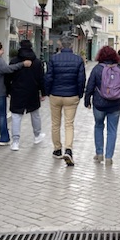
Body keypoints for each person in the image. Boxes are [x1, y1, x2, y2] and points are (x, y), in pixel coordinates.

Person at [44, 36, 86, 165]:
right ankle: (68, 150)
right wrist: (79, 94)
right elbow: (81, 79)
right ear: (72, 45)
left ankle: (57, 149)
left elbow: (48, 77)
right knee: (69, 124)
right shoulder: (78, 60)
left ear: (61, 45)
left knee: (55, 123)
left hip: (55, 95)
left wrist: (47, 92)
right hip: (71, 96)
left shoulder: (53, 59)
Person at [84, 45, 120, 166]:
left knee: (98, 126)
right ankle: (109, 157)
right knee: (112, 130)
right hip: (116, 105)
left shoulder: (97, 69)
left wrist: (87, 100)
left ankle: (99, 154)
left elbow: (90, 86)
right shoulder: (119, 69)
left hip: (99, 104)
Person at [6, 40, 46, 151]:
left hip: (17, 92)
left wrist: (8, 91)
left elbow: (7, 77)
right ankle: (37, 135)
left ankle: (15, 142)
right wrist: (43, 92)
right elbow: (41, 79)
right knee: (35, 114)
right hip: (32, 91)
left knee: (16, 116)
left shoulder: (14, 61)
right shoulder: (37, 62)